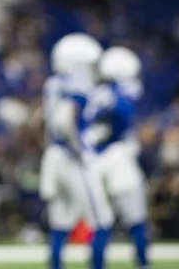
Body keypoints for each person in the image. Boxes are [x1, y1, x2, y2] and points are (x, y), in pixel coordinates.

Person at [40, 33, 114, 269]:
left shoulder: (53, 83)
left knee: (60, 221)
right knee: (102, 219)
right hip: (72, 158)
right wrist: (80, 148)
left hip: (54, 155)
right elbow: (64, 120)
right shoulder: (77, 84)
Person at [88, 46, 150, 268]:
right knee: (137, 219)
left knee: (102, 222)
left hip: (95, 160)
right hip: (118, 158)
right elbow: (123, 116)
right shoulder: (121, 91)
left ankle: (96, 265)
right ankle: (143, 263)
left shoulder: (95, 92)